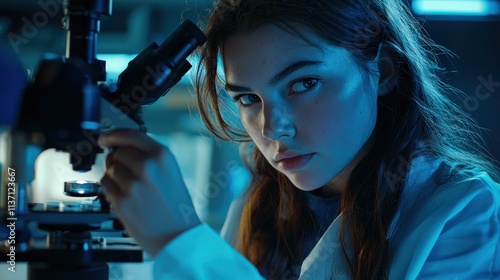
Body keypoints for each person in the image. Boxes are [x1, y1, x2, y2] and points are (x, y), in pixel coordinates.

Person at [98, 0, 500, 279]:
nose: (272, 129)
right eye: (248, 98)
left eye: (303, 83)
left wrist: (180, 240)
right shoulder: (258, 208)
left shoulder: (466, 212)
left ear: (385, 72)